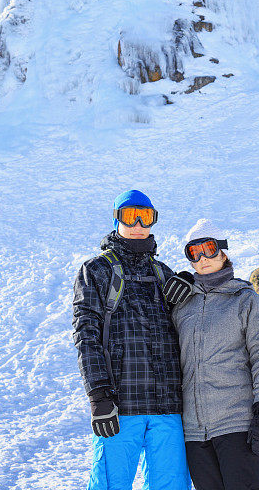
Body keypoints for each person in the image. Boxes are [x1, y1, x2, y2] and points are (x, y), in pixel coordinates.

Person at [72, 189, 191, 490]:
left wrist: (191, 285)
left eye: (145, 216)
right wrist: (99, 396)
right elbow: (86, 335)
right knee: (110, 485)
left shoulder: (164, 274)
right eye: (129, 215)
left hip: (168, 408)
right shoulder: (96, 270)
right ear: (116, 219)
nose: (138, 223)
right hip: (121, 407)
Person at [166, 218, 259, 490]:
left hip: (236, 423)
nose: (203, 258)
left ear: (224, 252)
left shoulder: (245, 299)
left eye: (209, 249)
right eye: (194, 253)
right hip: (193, 429)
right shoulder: (182, 304)